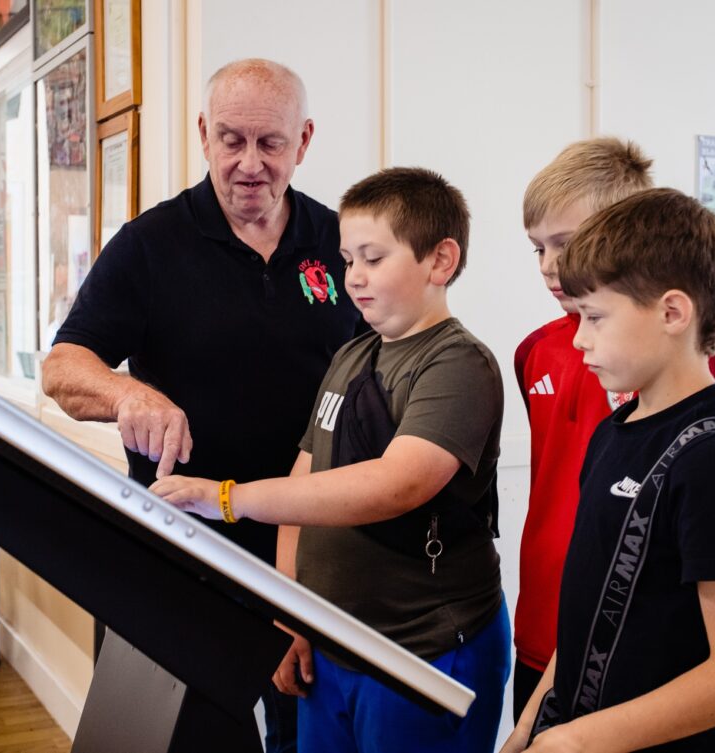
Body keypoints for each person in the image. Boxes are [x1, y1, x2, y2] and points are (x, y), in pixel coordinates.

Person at [41, 58, 361, 753]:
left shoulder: (341, 243)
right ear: (203, 135)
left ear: (304, 141)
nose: (250, 164)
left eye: (270, 143)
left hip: (308, 559)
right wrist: (128, 393)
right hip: (182, 560)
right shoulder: (150, 245)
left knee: (299, 740)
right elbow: (62, 368)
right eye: (231, 140)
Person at [152, 167, 510, 753]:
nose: (354, 277)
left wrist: (228, 498)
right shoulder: (351, 355)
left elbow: (396, 484)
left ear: (440, 261)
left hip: (419, 651)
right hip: (331, 643)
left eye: (374, 258)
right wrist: (290, 610)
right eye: (347, 260)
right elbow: (305, 477)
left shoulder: (458, 363)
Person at [501, 187, 715, 752]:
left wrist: (581, 740)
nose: (579, 338)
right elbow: (584, 618)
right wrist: (528, 727)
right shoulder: (612, 433)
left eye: (596, 317)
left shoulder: (713, 459)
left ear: (673, 313)